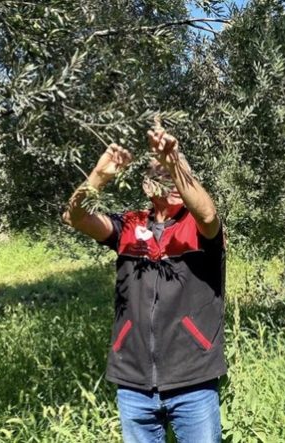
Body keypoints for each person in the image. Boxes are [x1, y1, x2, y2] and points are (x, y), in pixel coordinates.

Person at [62, 128, 226, 443]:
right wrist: (99, 175)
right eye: (163, 173)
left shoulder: (199, 228)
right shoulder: (129, 225)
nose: (175, 182)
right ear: (147, 185)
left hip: (193, 378)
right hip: (133, 382)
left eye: (180, 174)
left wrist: (175, 161)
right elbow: (76, 217)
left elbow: (206, 212)